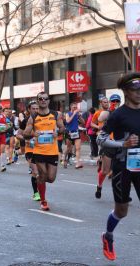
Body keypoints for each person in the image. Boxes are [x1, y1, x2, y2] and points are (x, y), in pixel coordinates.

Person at [97, 73, 140, 261]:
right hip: (123, 167)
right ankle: (108, 236)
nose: (139, 93)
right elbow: (101, 138)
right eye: (134, 90)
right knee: (121, 210)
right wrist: (122, 144)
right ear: (125, 92)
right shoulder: (118, 115)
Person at [23, 92, 65, 211]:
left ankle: (39, 180)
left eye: (45, 99)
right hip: (39, 151)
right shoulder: (33, 117)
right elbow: (25, 133)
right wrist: (32, 134)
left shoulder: (56, 114)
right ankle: (43, 200)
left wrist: (58, 132)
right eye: (40, 99)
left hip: (53, 151)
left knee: (51, 178)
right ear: (37, 101)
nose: (43, 100)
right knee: (43, 175)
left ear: (48, 101)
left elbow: (62, 128)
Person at [95, 94, 121, 199]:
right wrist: (111, 111)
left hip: (121, 145)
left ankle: (123, 192)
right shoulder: (107, 112)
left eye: (117, 101)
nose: (115, 102)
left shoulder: (123, 112)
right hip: (109, 144)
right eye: (113, 101)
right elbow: (101, 118)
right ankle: (99, 186)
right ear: (110, 102)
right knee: (105, 171)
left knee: (123, 170)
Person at [16, 101, 40, 201]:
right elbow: (18, 134)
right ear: (29, 110)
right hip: (30, 149)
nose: (35, 110)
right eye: (33, 108)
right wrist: (26, 139)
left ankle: (40, 191)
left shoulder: (43, 119)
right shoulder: (25, 121)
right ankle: (36, 193)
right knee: (35, 172)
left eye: (37, 108)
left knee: (42, 174)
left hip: (42, 149)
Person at [63, 103, 85, 169]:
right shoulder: (67, 114)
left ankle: (77, 163)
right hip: (69, 133)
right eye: (74, 107)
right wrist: (74, 114)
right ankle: (64, 160)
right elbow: (68, 121)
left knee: (78, 148)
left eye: (76, 107)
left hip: (76, 132)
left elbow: (83, 122)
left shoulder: (77, 114)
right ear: (71, 108)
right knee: (68, 148)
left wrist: (80, 116)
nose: (75, 108)